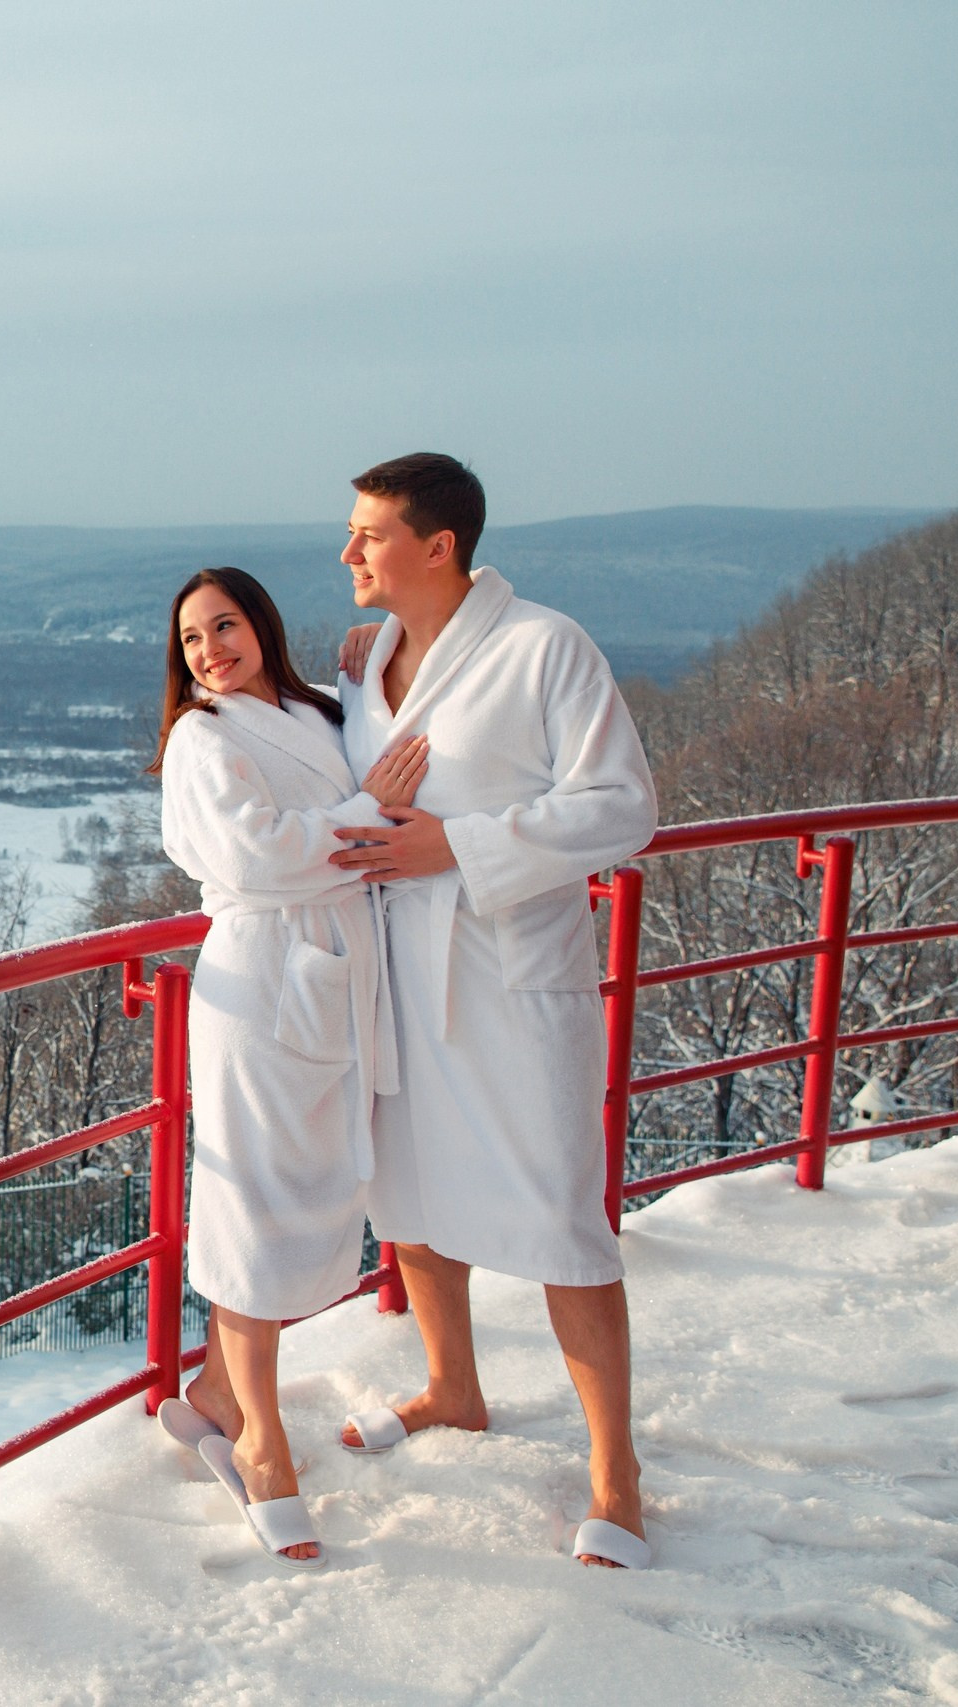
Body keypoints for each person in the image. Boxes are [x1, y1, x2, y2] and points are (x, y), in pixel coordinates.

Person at [325, 453, 660, 1570]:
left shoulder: (542, 648)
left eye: (367, 534)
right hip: (395, 972)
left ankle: (616, 1475)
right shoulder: (371, 658)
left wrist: (456, 847)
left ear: (438, 546)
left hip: (509, 977)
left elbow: (622, 805)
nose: (347, 553)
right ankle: (451, 1386)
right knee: (407, 1192)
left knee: (561, 1216)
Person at [150, 566, 429, 1570]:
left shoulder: (312, 714)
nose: (210, 649)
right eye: (189, 641)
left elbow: (391, 748)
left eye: (222, 625)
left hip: (332, 977)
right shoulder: (202, 737)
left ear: (258, 624)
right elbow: (258, 855)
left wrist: (369, 664)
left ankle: (218, 1396)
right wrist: (362, 816)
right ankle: (262, 1443)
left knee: (319, 1192)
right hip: (261, 987)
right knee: (257, 1208)